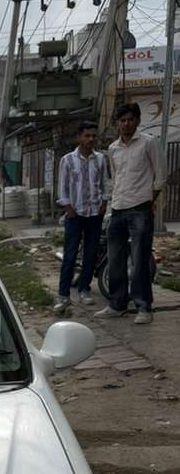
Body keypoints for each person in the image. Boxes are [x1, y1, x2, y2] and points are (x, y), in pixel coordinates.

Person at [95, 102, 166, 325]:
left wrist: (148, 201)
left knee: (139, 260)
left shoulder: (149, 143)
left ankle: (143, 306)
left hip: (140, 210)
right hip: (118, 210)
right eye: (122, 120)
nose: (126, 124)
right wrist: (111, 205)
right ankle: (117, 304)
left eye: (130, 120)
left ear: (137, 121)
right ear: (118, 123)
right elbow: (116, 179)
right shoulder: (114, 148)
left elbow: (160, 177)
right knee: (115, 259)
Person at [54, 120, 107, 314]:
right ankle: (63, 294)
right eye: (87, 135)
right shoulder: (67, 160)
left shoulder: (100, 159)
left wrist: (104, 203)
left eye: (93, 135)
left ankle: (84, 289)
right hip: (75, 214)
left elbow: (104, 183)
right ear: (79, 137)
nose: (91, 139)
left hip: (94, 214)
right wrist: (68, 208)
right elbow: (63, 187)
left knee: (91, 254)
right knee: (70, 255)